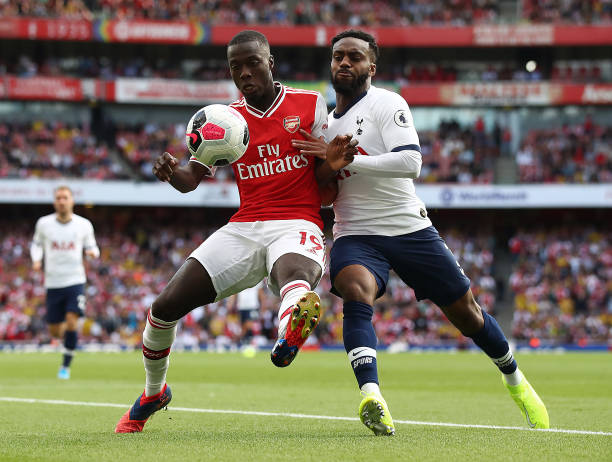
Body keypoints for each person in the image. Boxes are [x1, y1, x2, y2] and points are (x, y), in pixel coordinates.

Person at [292, 30, 549, 436]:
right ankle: (372, 396)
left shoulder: (386, 102)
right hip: (354, 231)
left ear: (370, 68)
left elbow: (411, 162)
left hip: (408, 226)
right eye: (338, 56)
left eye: (354, 57)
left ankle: (514, 378)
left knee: (467, 313)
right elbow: (325, 188)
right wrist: (327, 166)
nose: (344, 63)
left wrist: (348, 161)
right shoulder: (323, 123)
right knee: (355, 291)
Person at [114, 30, 357, 433]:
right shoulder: (223, 119)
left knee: (294, 275)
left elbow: (324, 176)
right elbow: (192, 179)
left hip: (297, 220)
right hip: (245, 225)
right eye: (235, 68)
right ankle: (154, 393)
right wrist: (172, 172)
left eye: (252, 63)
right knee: (161, 310)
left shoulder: (309, 104)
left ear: (270, 62)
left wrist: (331, 162)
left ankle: (289, 331)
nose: (244, 73)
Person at [30, 185, 99, 380]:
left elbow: (93, 246)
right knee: (54, 330)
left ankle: (65, 366)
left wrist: (93, 253)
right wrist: (36, 260)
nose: (61, 201)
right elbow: (36, 245)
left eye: (65, 198)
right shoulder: (43, 224)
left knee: (71, 320)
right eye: (58, 198)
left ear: (71, 201)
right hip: (53, 282)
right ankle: (67, 340)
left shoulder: (84, 224)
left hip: (75, 280)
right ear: (54, 201)